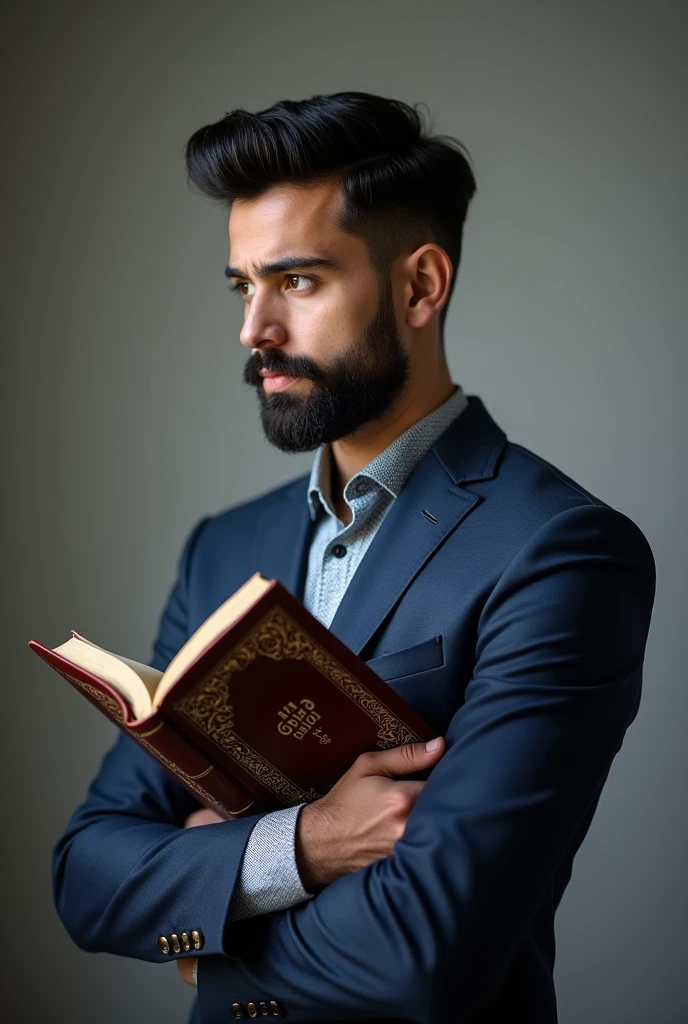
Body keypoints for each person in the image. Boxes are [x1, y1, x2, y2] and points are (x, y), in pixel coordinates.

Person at [52, 91, 656, 1024]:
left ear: (420, 286)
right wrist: (302, 846)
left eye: (297, 282)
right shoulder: (223, 548)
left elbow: (428, 951)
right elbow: (87, 875)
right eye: (241, 286)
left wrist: (204, 940)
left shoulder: (562, 550)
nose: (254, 331)